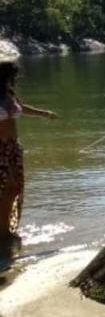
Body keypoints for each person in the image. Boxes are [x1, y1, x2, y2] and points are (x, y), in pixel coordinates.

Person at [0, 54, 58, 255]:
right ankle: (3, 232)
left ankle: (6, 227)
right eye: (11, 76)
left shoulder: (10, 94)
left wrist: (44, 113)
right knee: (6, 188)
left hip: (13, 147)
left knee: (15, 187)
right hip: (0, 148)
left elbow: (22, 109)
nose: (13, 79)